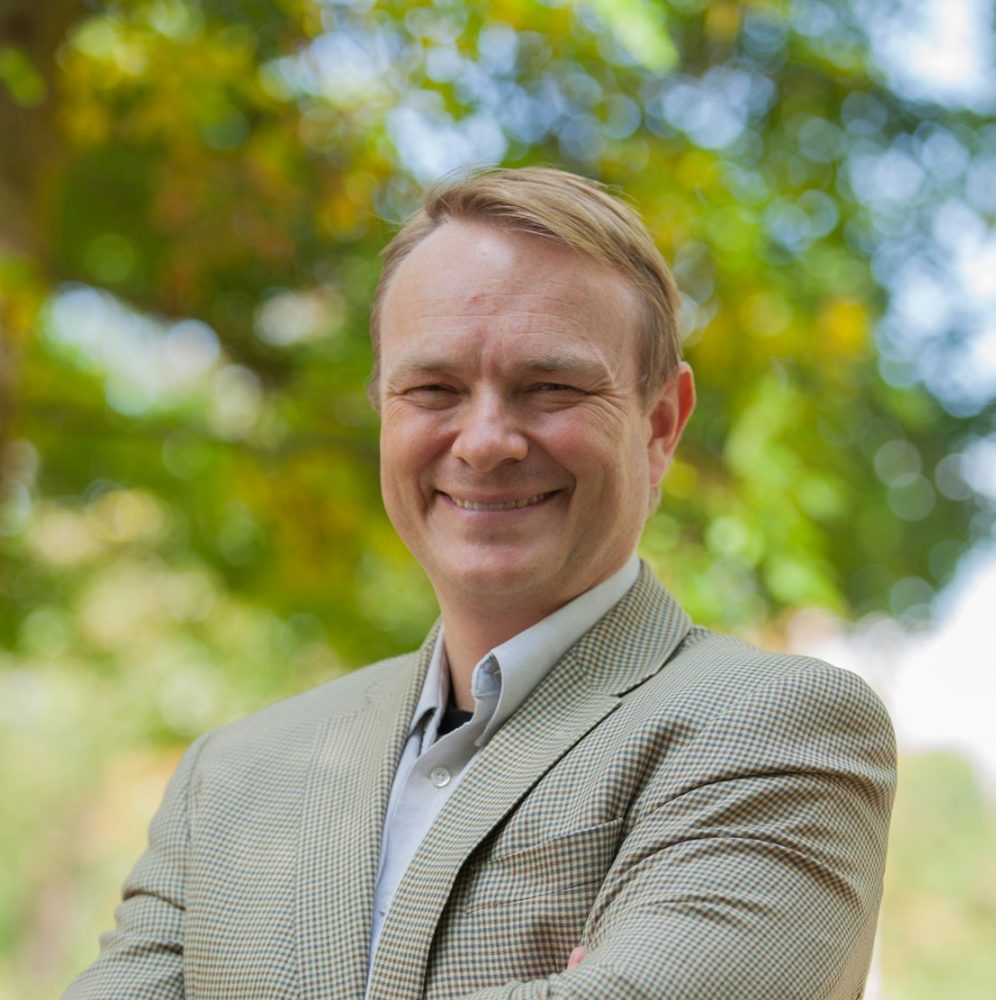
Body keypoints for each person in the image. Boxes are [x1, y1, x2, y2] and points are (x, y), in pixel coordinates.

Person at [65, 167, 895, 999]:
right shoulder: (234, 775)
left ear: (660, 425)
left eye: (551, 388)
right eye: (434, 389)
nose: (486, 440)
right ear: (384, 411)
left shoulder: (780, 731)